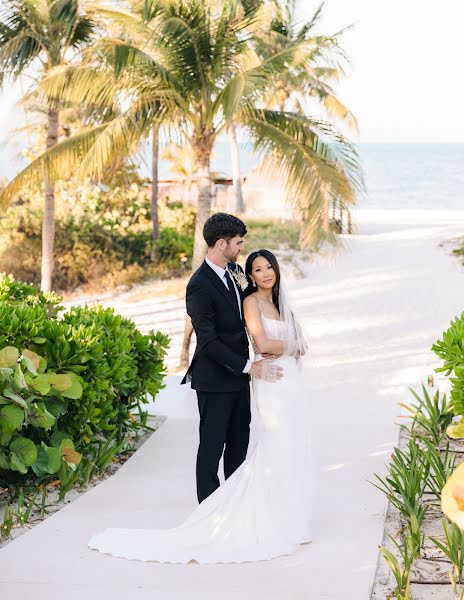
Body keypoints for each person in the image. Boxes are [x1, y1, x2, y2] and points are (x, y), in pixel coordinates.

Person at [88, 219, 312, 564]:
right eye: (237, 243)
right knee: (212, 448)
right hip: (216, 379)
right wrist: (247, 365)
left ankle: (237, 512)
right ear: (221, 243)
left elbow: (246, 321)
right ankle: (210, 518)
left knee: (239, 444)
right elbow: (207, 341)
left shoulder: (236, 271)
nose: (241, 249)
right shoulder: (199, 285)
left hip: (242, 378)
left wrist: (252, 365)